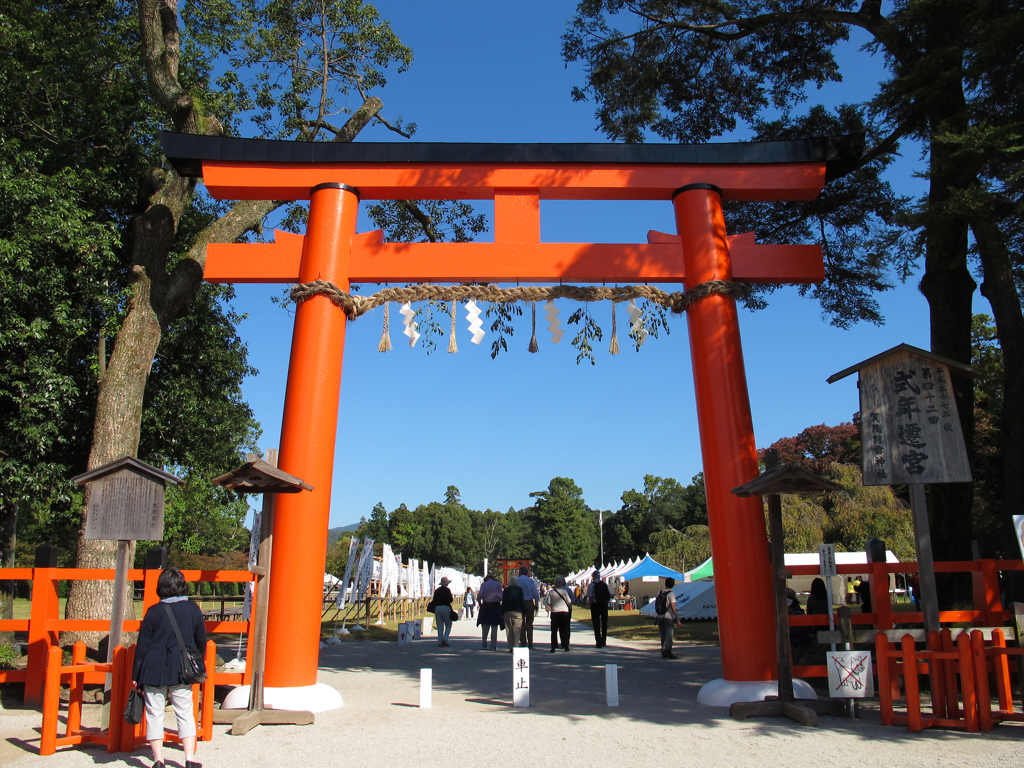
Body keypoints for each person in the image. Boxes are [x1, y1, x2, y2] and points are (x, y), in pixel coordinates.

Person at [132, 566, 206, 768]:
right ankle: (189, 758)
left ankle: (158, 760)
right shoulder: (192, 609)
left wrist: (136, 673)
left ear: (161, 587)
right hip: (181, 668)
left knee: (154, 713)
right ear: (182, 585)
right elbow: (201, 640)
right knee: (184, 711)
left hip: (153, 667)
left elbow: (143, 645)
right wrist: (198, 662)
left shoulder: (153, 611)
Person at [546, 576, 573, 652]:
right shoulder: (565, 592)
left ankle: (553, 647)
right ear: (561, 583)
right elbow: (569, 601)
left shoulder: (551, 592)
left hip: (555, 612)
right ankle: (566, 646)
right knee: (564, 630)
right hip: (564, 611)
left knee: (554, 630)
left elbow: (548, 602)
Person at [654, 577, 680, 659]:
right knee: (669, 634)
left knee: (662, 634)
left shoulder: (660, 592)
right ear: (672, 584)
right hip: (668, 616)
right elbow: (672, 606)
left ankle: (663, 650)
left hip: (660, 616)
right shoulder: (671, 594)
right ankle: (668, 651)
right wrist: (677, 619)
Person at [585, 569, 611, 647]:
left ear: (594, 576)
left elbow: (590, 597)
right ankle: (604, 641)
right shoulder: (604, 584)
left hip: (595, 605)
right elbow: (608, 594)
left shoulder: (591, 585)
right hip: (603, 605)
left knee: (596, 624)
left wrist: (590, 605)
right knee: (604, 623)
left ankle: (598, 641)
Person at [477, 574, 503, 650]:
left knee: (485, 627)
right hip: (495, 606)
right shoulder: (497, 584)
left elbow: (480, 595)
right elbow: (501, 596)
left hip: (486, 605)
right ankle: (493, 645)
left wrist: (480, 603)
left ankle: (484, 644)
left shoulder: (484, 584)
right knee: (494, 627)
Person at [500, 575, 525, 652]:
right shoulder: (520, 590)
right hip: (518, 611)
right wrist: (524, 611)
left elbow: (504, 602)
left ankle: (511, 647)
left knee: (509, 629)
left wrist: (501, 612)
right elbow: (522, 601)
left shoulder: (506, 590)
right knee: (517, 630)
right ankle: (516, 646)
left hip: (508, 611)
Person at [517, 566, 539, 648]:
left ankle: (523, 641)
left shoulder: (517, 580)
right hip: (529, 602)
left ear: (520, 572)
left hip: (520, 603)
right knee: (529, 623)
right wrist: (536, 604)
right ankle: (530, 641)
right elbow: (536, 594)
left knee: (521, 623)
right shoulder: (531, 581)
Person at [431, 576, 455, 647]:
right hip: (445, 607)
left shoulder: (437, 590)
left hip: (437, 608)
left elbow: (434, 599)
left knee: (440, 625)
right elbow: (450, 600)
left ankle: (440, 641)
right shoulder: (447, 590)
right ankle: (445, 638)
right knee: (448, 624)